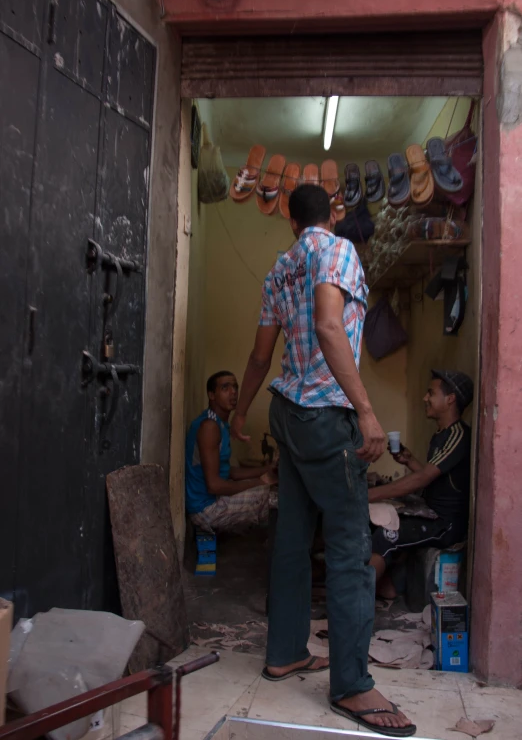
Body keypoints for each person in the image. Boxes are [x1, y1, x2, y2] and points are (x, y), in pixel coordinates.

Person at [231, 184, 415, 738]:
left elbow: (263, 353)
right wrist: (366, 411)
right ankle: (353, 685)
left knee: (292, 536)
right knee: (350, 548)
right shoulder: (337, 251)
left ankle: (285, 652)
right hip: (326, 415)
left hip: (287, 411)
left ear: (289, 220)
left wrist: (240, 413)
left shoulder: (280, 267)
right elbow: (331, 326)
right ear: (332, 213)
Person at [369, 370, 473, 599]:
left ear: (450, 399)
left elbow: (423, 478)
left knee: (386, 534)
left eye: (431, 393)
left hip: (445, 524)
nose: (425, 398)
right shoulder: (442, 435)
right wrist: (410, 460)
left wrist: (369, 495)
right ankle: (387, 586)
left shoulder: (458, 435)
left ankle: (354, 604)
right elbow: (434, 476)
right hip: (430, 515)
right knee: (375, 522)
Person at [185, 370, 277, 533]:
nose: (233, 392)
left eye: (235, 387)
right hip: (206, 509)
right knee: (277, 499)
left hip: (213, 500)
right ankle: (284, 552)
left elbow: (227, 472)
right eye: (225, 388)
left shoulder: (220, 424)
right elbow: (214, 485)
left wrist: (265, 470)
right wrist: (260, 482)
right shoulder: (209, 427)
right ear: (211, 395)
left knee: (276, 490)